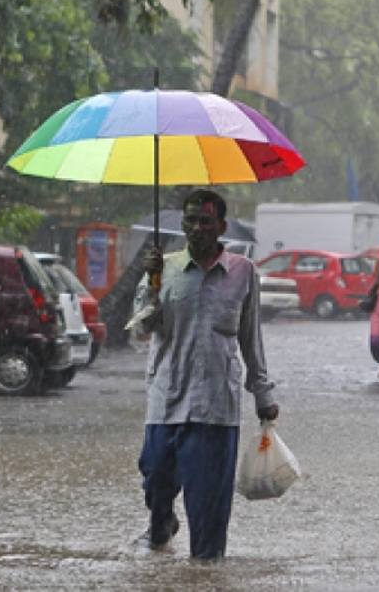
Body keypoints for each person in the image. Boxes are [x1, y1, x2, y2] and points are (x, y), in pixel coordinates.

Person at [133, 189, 279, 559]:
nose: (196, 228)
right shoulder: (161, 269)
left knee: (209, 511)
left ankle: (206, 572)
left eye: (205, 221)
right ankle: (162, 523)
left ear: (221, 227)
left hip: (216, 407)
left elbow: (250, 337)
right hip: (166, 399)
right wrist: (150, 287)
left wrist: (263, 394)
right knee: (155, 480)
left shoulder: (243, 273)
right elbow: (141, 329)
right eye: (190, 221)